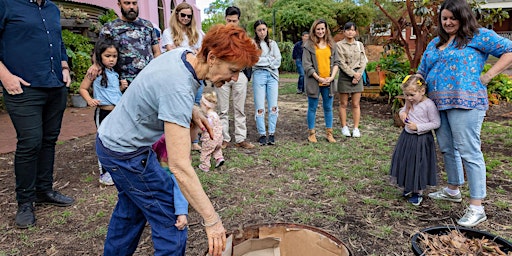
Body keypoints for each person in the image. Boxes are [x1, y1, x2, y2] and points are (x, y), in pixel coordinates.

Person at [95, 24, 260, 255]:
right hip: (125, 153)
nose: (234, 78)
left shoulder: (182, 56)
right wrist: (212, 221)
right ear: (212, 57)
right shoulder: (178, 87)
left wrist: (191, 110)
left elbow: (160, 90)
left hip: (110, 141)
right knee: (170, 217)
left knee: (131, 209)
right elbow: (180, 167)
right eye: (233, 70)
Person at [417, 0, 512, 227]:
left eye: (453, 18)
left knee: (469, 151)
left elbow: (509, 51)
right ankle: (453, 189)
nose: (448, 22)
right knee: (448, 148)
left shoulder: (478, 36)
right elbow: (422, 71)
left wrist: (488, 77)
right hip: (438, 104)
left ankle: (477, 207)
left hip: (466, 103)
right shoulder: (435, 42)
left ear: (463, 17)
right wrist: (413, 97)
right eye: (444, 18)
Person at [0, 0, 75, 229]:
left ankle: (44, 190)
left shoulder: (52, 8)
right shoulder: (6, 4)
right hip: (23, 87)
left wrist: (64, 67)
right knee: (30, 142)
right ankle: (25, 202)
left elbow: (58, 43)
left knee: (48, 140)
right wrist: (4, 76)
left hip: (54, 86)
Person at [79, 38, 127, 186]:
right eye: (108, 56)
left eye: (114, 56)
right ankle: (104, 172)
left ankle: (118, 169)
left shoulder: (114, 73)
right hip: (103, 113)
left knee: (118, 140)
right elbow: (82, 88)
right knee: (104, 142)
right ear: (99, 55)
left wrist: (121, 88)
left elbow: (112, 94)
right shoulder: (96, 71)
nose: (111, 59)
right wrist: (89, 100)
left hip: (117, 113)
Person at [389, 75, 440, 206]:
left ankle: (418, 192)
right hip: (407, 137)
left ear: (422, 91)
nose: (409, 98)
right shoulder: (410, 101)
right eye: (406, 95)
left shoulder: (428, 105)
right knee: (406, 161)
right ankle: (408, 185)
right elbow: (404, 110)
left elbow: (436, 123)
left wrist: (418, 127)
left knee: (419, 163)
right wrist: (402, 114)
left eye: (412, 95)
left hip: (421, 139)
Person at [87, 0, 161, 86]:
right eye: (127, 3)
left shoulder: (147, 25)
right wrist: (95, 65)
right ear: (119, 5)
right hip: (122, 83)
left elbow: (156, 52)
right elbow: (99, 51)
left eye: (134, 3)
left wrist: (158, 71)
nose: (131, 7)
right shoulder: (110, 28)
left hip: (148, 80)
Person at [162, 2, 204, 151]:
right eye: (183, 15)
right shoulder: (168, 32)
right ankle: (180, 143)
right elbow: (171, 52)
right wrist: (190, 53)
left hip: (195, 77)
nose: (186, 18)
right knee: (179, 109)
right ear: (177, 14)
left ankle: (194, 142)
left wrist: (189, 54)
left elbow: (201, 54)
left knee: (196, 108)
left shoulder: (197, 33)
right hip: (177, 77)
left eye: (189, 16)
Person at [216, 6, 255, 150]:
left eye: (234, 20)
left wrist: (238, 70)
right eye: (229, 20)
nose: (231, 23)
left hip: (240, 75)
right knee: (223, 109)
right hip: (222, 75)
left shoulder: (244, 37)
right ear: (225, 19)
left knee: (240, 109)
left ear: (239, 20)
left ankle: (241, 138)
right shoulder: (218, 35)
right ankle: (224, 139)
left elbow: (249, 56)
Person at [302, 19, 340, 143]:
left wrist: (331, 77)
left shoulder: (332, 45)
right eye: (318, 29)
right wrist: (319, 78)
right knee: (312, 107)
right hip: (315, 81)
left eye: (322, 28)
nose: (320, 31)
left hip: (329, 82)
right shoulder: (308, 45)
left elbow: (336, 62)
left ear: (326, 29)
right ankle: (311, 133)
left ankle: (329, 133)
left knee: (328, 107)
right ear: (314, 30)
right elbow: (307, 65)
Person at [151, 134, 189, 254]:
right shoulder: (177, 156)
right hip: (169, 203)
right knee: (174, 239)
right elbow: (181, 184)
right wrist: (182, 212)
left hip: (153, 198)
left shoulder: (157, 150)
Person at [252, 20, 282, 146]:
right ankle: (262, 134)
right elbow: (254, 60)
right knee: (260, 106)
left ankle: (272, 133)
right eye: (259, 30)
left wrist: (265, 61)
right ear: (256, 31)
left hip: (272, 76)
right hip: (259, 75)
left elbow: (278, 60)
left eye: (264, 29)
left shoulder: (272, 43)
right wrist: (269, 60)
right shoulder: (252, 44)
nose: (262, 32)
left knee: (273, 105)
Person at [336, 22, 368, 138]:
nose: (350, 32)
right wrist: (353, 74)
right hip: (345, 76)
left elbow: (363, 60)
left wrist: (358, 75)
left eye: (353, 30)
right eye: (348, 30)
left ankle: (355, 128)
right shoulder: (339, 45)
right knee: (343, 103)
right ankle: (344, 127)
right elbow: (341, 63)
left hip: (358, 75)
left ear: (355, 32)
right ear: (344, 32)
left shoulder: (359, 45)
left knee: (356, 104)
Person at [197, 92, 225, 172]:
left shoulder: (208, 117)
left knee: (206, 152)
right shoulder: (215, 114)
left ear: (206, 105)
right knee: (217, 148)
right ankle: (219, 158)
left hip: (210, 138)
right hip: (219, 138)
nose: (200, 107)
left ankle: (205, 166)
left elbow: (206, 128)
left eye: (201, 105)